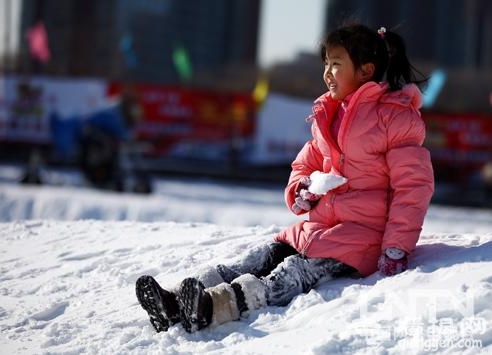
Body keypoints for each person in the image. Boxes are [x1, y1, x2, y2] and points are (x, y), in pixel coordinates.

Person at [135, 23, 434, 333]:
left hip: (362, 238)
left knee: (292, 272)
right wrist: (302, 189)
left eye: (336, 64)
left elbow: (413, 186)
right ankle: (176, 300)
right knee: (261, 258)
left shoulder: (395, 118)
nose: (327, 73)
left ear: (365, 70)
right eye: (326, 64)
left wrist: (396, 248)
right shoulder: (330, 115)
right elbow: (305, 164)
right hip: (319, 227)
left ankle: (213, 306)